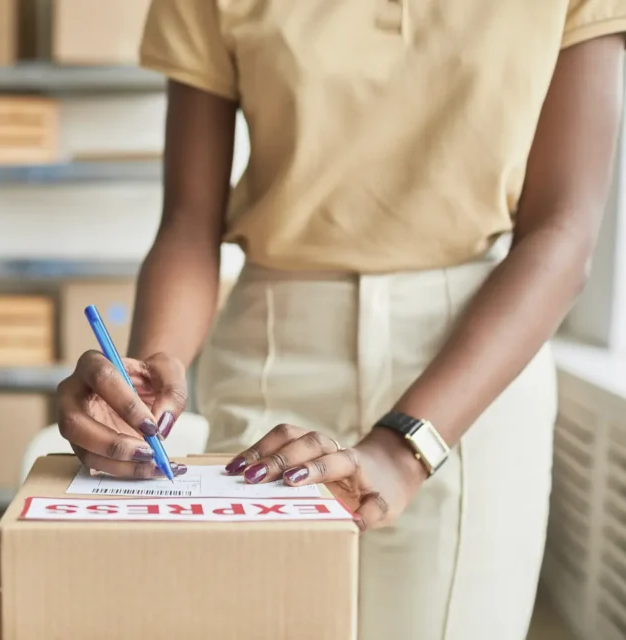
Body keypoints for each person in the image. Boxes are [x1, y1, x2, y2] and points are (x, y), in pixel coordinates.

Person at [54, 2, 626, 638]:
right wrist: (147, 373)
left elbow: (565, 230)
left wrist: (404, 448)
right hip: (270, 350)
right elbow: (190, 221)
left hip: (473, 373)